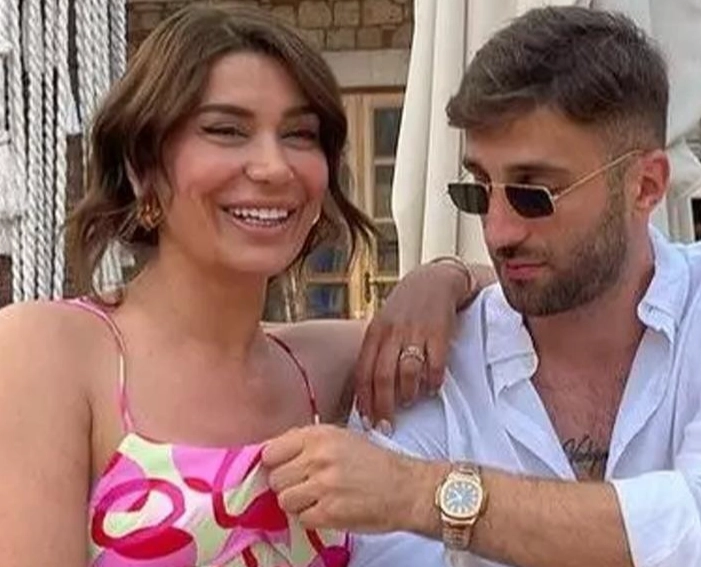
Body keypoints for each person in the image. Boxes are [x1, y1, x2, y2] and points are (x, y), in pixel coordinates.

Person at [261, 7, 701, 567]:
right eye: (477, 189)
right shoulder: (436, 360)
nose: (497, 231)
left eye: (533, 194)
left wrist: (426, 495)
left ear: (645, 185)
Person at [0, 4, 481, 566]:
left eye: (300, 134)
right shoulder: (48, 351)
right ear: (142, 166)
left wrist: (440, 278)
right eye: (226, 131)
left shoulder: (322, 366)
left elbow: (534, 297)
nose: (274, 167)